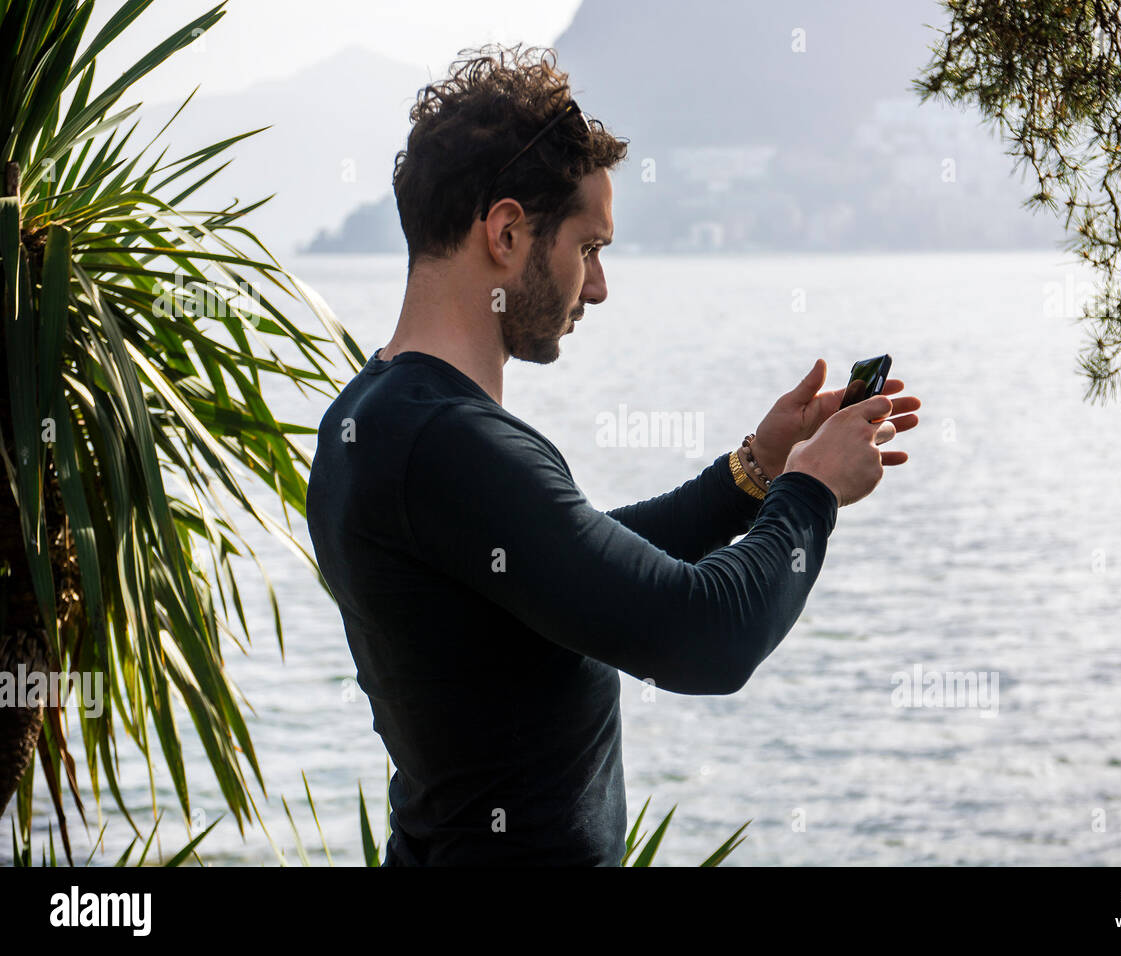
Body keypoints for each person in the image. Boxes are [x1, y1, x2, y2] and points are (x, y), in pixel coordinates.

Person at [304, 43, 920, 866]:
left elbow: (570, 565)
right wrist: (811, 493)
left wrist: (758, 468)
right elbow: (706, 635)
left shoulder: (370, 417)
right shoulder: (451, 444)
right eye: (588, 249)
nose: (597, 288)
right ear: (508, 232)